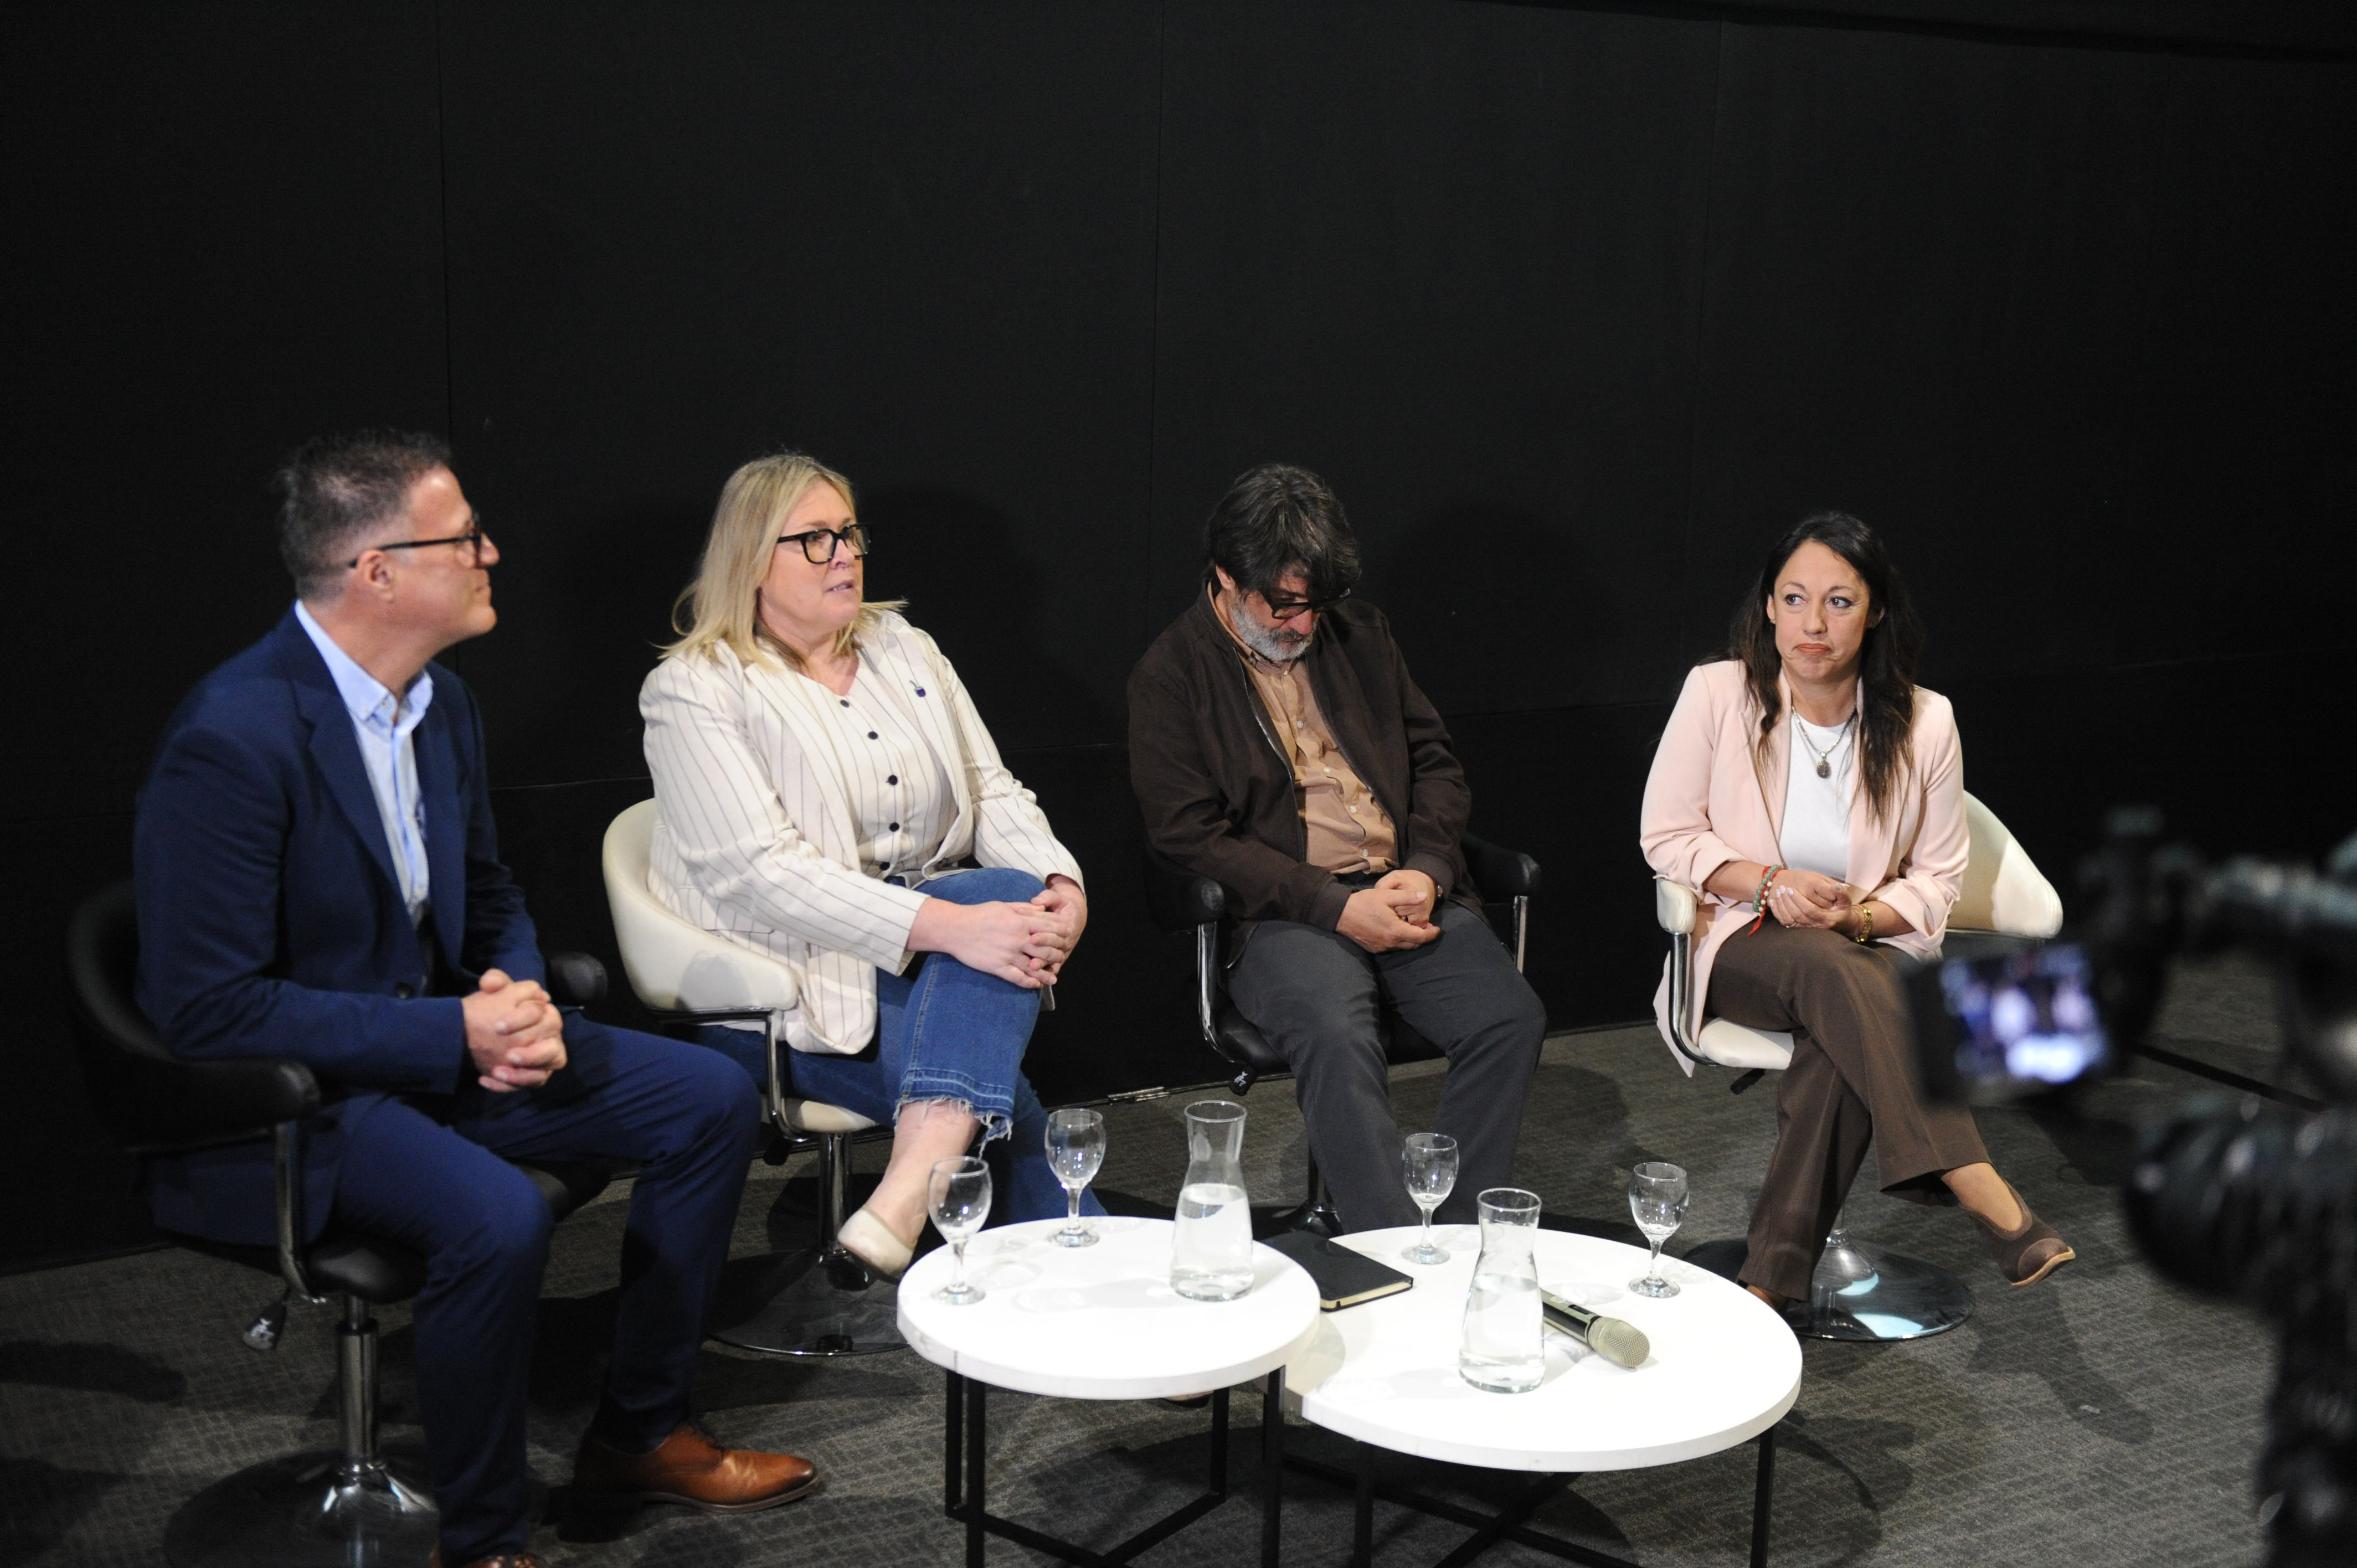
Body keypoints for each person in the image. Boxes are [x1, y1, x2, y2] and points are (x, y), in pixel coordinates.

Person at [134, 432, 814, 1568]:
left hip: (441, 1056)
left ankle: (640, 1430)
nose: (492, 551)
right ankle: (488, 1542)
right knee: (493, 1218)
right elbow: (207, 1013)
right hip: (302, 1107)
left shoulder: (438, 703)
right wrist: (452, 1029)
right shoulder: (232, 739)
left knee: (705, 1095)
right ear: (378, 572)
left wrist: (522, 994)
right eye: (464, 539)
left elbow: (486, 889)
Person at [639, 452, 1094, 1280]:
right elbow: (760, 873)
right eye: (814, 539)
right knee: (996, 1089)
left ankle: (905, 1200)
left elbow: (988, 788)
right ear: (751, 558)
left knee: (1008, 889)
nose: (844, 554)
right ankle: (1106, 1296)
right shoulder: (695, 690)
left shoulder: (903, 647)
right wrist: (956, 927)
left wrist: (1060, 887)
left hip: (926, 965)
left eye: (848, 533)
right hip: (778, 991)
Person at [1639, 510, 2073, 1306]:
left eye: (1839, 602)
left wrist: (1859, 918)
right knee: (1837, 977)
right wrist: (1769, 883)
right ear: (1768, 606)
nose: (1813, 623)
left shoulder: (1925, 721)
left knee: (1842, 1026)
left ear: (1874, 612)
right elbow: (1666, 837)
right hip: (1742, 940)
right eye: (1795, 598)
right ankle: (1972, 1177)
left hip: (1864, 951)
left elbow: (1940, 875)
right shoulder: (1718, 693)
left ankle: (1769, 1285)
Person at [1128, 463, 1545, 1234]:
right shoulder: (1172, 675)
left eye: (1315, 605)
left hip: (1402, 885)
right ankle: (1388, 1247)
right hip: (1285, 912)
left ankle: (1449, 1238)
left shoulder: (1363, 634)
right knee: (1335, 1029)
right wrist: (1334, 906)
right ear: (1226, 578)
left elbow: (1436, 767)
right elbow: (1190, 838)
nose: (1303, 624)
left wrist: (1428, 868)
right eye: (1282, 605)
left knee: (1509, 1018)